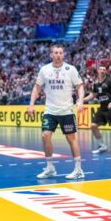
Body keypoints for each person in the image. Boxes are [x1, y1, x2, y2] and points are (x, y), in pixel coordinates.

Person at [28, 44, 85, 180]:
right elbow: (37, 88)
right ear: (51, 55)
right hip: (50, 111)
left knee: (70, 138)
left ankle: (78, 170)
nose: (58, 55)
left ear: (63, 54)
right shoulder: (44, 70)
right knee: (45, 135)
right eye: (56, 52)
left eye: (60, 52)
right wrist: (31, 104)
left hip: (66, 111)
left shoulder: (70, 69)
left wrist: (81, 101)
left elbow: (80, 86)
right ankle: (50, 168)